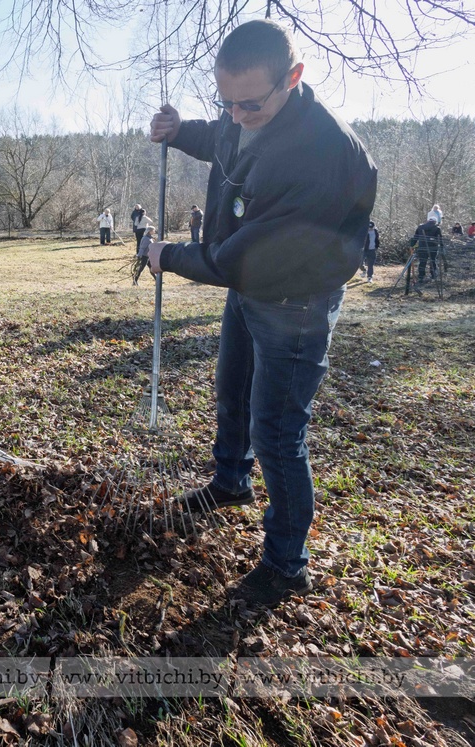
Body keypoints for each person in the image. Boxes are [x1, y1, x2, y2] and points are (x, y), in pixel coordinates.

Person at [147, 19, 377, 606]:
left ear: (294, 78)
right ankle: (230, 482)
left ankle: (285, 562)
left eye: (249, 103)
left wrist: (166, 254)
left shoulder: (319, 157)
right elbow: (226, 143)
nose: (237, 113)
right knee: (233, 388)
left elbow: (234, 260)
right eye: (227, 101)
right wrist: (180, 132)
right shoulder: (247, 113)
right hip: (250, 288)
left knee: (276, 430)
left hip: (295, 301)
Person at [410, 217, 442, 283]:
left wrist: (411, 245)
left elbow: (415, 237)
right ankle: (433, 276)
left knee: (422, 262)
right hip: (433, 248)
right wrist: (441, 247)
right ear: (435, 222)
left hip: (422, 247)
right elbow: (439, 239)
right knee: (433, 261)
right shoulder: (437, 228)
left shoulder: (420, 227)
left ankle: (421, 277)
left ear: (428, 221)